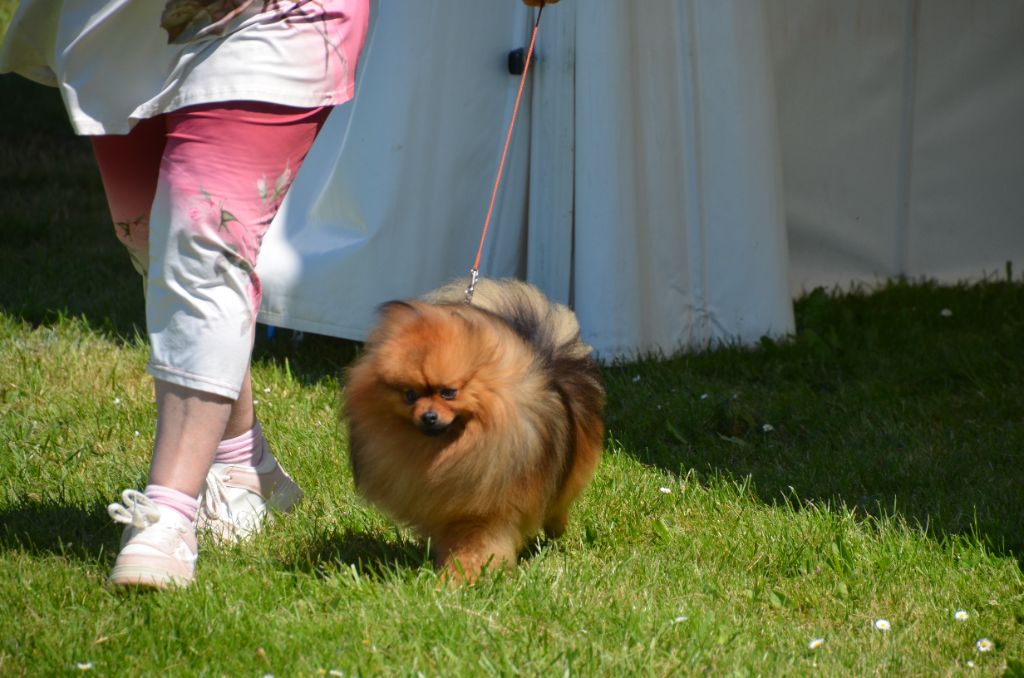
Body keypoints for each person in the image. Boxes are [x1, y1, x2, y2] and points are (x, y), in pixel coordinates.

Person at [0, 0, 556, 590]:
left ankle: (166, 517)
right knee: (150, 240)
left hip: (281, 14)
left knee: (201, 240)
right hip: (124, 19)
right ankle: (243, 459)